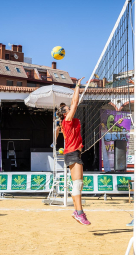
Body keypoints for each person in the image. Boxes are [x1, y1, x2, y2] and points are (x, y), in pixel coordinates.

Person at [56, 77, 90, 226]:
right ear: (64, 114)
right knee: (78, 184)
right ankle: (79, 213)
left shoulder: (68, 121)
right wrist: (77, 87)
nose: (70, 109)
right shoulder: (67, 120)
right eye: (67, 109)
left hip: (72, 153)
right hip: (72, 153)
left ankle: (78, 212)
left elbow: (74, 104)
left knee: (77, 184)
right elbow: (75, 103)